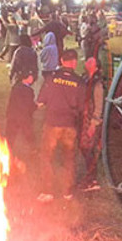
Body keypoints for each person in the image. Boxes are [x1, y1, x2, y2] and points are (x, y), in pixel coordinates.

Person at [36, 49, 85, 202]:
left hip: (52, 123)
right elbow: (83, 107)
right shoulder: (79, 82)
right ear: (75, 62)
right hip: (70, 125)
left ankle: (47, 191)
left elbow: (40, 102)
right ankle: (67, 192)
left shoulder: (51, 78)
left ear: (62, 61)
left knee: (46, 157)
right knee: (69, 158)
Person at [79, 57, 104, 191]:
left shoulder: (97, 84)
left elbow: (99, 105)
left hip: (91, 121)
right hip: (83, 120)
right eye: (87, 60)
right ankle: (91, 177)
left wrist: (94, 124)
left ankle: (92, 180)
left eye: (91, 61)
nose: (87, 62)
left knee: (88, 149)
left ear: (96, 67)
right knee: (84, 148)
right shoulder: (84, 78)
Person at [5, 54, 37, 150]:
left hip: (12, 115)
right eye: (31, 77)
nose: (32, 79)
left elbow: (11, 102)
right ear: (26, 77)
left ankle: (7, 149)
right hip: (24, 117)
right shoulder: (29, 91)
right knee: (28, 134)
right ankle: (33, 150)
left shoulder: (15, 87)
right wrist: (35, 106)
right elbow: (29, 106)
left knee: (10, 135)